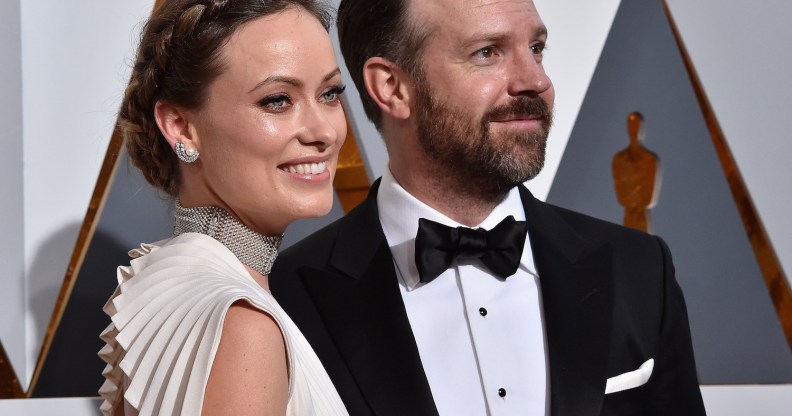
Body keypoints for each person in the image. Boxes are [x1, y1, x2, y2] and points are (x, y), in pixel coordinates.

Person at [269, 0, 707, 415]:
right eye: (487, 53)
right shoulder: (286, 298)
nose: (536, 80)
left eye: (536, 48)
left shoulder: (639, 269)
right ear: (392, 87)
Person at [98, 0, 350, 414]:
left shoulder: (162, 280)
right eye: (277, 100)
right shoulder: (243, 325)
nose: (324, 131)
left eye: (330, 93)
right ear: (181, 127)